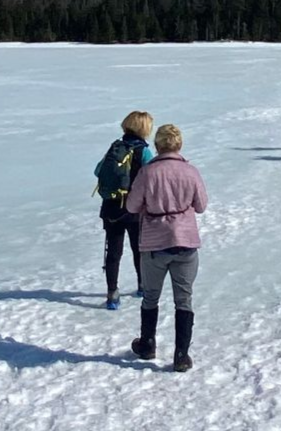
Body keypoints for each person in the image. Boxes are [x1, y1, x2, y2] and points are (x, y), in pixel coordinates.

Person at [126, 123, 209, 371]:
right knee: (183, 299)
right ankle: (181, 355)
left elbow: (131, 205)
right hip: (185, 242)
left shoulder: (147, 173)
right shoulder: (190, 172)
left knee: (151, 296)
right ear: (179, 145)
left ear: (158, 145)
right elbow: (202, 205)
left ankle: (148, 344)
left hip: (154, 243)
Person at [98, 111, 155, 310]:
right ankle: (142, 285)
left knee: (113, 251)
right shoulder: (144, 152)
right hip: (135, 209)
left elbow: (98, 171)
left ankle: (112, 293)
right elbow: (152, 178)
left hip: (111, 208)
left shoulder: (115, 147)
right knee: (139, 249)